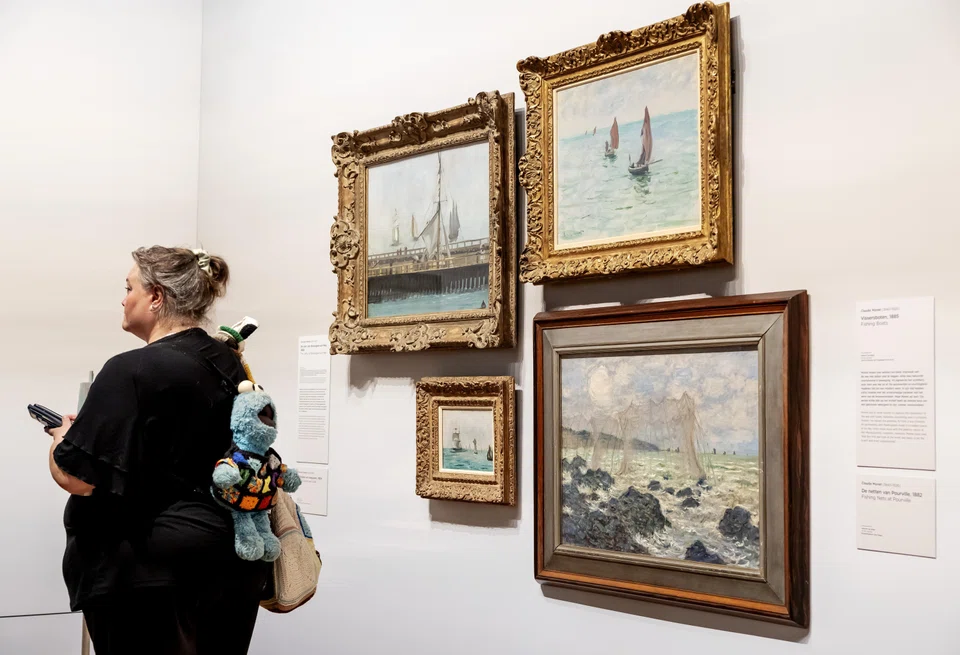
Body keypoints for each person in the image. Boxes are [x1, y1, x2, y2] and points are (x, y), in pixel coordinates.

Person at [47, 246, 269, 654]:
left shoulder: (130, 369)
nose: (123, 299)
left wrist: (63, 436)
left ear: (156, 296)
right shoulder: (227, 361)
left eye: (128, 288)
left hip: (147, 573)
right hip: (227, 563)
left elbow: (77, 478)